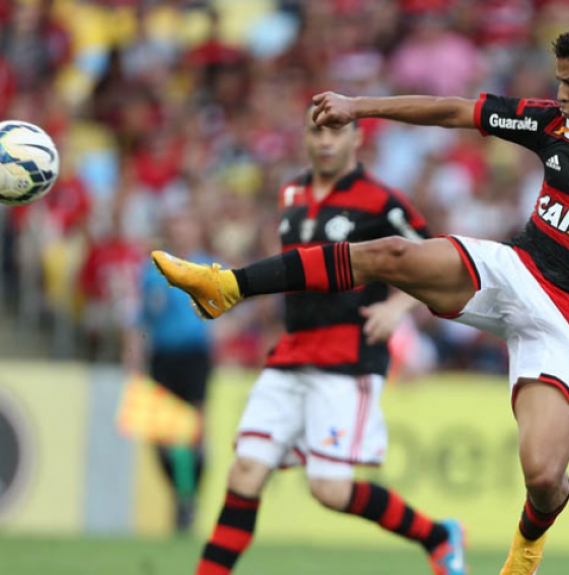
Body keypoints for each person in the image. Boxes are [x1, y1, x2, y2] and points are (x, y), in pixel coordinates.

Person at [156, 21, 569, 574]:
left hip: (566, 325)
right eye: (559, 82)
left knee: (543, 476)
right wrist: (361, 105)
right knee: (391, 254)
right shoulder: (554, 123)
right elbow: (455, 110)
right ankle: (227, 285)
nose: (560, 94)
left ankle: (526, 551)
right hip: (513, 269)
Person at [194, 107, 466, 575]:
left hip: (349, 355)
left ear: (357, 138)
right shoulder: (291, 192)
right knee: (244, 472)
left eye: (336, 131)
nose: (325, 141)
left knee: (330, 490)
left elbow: (435, 260)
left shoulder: (381, 201)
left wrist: (396, 308)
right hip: (293, 350)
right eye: (315, 130)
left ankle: (438, 536)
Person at [124, 211, 214, 533]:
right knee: (162, 439)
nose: (182, 234)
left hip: (195, 357)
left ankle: (188, 501)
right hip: (162, 357)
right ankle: (182, 496)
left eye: (187, 226)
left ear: (196, 232)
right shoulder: (153, 272)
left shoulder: (210, 267)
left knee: (194, 434)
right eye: (176, 227)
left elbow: (232, 308)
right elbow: (140, 318)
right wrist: (132, 356)